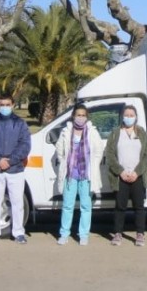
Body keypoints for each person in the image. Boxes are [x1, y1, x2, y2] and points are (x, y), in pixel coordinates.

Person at [0, 93, 32, 244]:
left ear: (13, 105)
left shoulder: (20, 124)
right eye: (2, 105)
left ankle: (18, 233)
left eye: (7, 104)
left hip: (15, 169)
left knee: (17, 202)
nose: (4, 107)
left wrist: (11, 160)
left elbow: (25, 145)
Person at [54, 104, 103, 246]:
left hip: (86, 175)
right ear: (73, 116)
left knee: (86, 206)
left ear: (87, 117)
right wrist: (65, 163)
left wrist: (93, 165)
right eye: (78, 115)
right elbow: (60, 151)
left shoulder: (92, 132)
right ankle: (64, 234)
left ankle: (83, 234)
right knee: (68, 206)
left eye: (83, 115)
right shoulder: (66, 131)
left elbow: (99, 151)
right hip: (70, 175)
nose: (80, 118)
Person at [106, 105, 147, 247]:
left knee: (139, 207)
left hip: (137, 176)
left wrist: (137, 172)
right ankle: (118, 234)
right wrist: (121, 172)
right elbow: (110, 155)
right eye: (127, 115)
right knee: (120, 206)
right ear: (122, 116)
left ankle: (140, 234)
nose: (129, 117)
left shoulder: (142, 133)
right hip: (121, 177)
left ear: (136, 117)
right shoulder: (115, 133)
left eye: (132, 115)